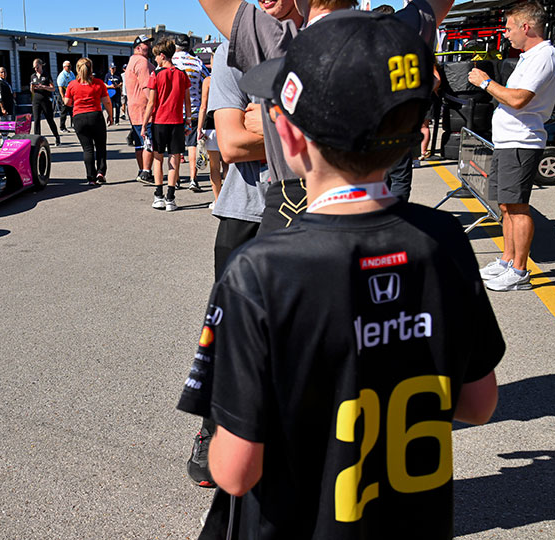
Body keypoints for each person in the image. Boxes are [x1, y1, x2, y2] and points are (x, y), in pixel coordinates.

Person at [177, 14, 503, 539]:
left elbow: (235, 472)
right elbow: (478, 403)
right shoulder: (444, 240)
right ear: (411, 134)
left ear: (288, 136)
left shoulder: (260, 270)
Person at [198, 0, 451, 234]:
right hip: (378, 214)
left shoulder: (283, 43)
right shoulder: (393, 36)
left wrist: (270, 124)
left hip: (290, 217)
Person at [185, 0, 305, 487]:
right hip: (245, 213)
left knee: (296, 334)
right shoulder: (232, 51)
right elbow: (231, 143)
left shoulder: (322, 41)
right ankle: (214, 426)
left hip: (308, 213)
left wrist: (264, 121)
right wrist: (296, 126)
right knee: (231, 332)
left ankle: (283, 434)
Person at [469, 1, 555, 292]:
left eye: (509, 28)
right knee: (506, 206)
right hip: (509, 141)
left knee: (518, 207)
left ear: (526, 27)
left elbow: (519, 98)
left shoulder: (545, 55)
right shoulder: (529, 56)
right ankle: (509, 260)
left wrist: (486, 83)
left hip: (521, 142)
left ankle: (519, 271)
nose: (506, 34)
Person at [143, 39, 191, 212]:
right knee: (174, 159)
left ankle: (158, 195)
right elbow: (187, 101)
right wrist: (189, 119)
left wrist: (144, 124)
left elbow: (151, 103)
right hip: (177, 121)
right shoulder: (182, 74)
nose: (154, 59)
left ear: (162, 56)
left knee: (158, 158)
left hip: (159, 121)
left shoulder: (155, 75)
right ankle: (170, 198)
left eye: (156, 56)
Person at [64, 57, 113, 185]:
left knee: (88, 149)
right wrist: (111, 115)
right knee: (100, 146)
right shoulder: (98, 83)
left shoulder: (72, 85)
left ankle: (91, 178)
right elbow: (107, 101)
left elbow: (67, 102)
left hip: (79, 117)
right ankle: (101, 172)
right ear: (91, 69)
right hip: (95, 116)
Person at [173, 34, 211, 192]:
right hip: (194, 110)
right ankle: (193, 179)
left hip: (173, 111)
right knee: (192, 145)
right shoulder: (197, 62)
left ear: (175, 45)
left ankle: (174, 180)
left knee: (174, 147)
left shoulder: (171, 61)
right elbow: (207, 81)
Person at [126, 35, 155, 184]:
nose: (149, 46)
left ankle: (142, 169)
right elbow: (146, 87)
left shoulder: (132, 61)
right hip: (144, 109)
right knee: (148, 141)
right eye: (146, 44)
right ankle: (146, 172)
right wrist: (154, 103)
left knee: (139, 142)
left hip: (134, 108)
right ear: (138, 47)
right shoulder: (142, 62)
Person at [198, 74, 226, 208]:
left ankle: (218, 200)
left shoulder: (208, 81)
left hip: (211, 124)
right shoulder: (230, 77)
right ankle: (229, 199)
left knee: (214, 166)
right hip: (228, 123)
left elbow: (203, 106)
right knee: (228, 165)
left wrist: (199, 128)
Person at [30, 58, 61, 146]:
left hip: (45, 100)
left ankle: (57, 136)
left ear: (41, 65)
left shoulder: (46, 75)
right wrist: (32, 86)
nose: (36, 69)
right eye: (34, 68)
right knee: (36, 120)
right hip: (36, 100)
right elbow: (32, 91)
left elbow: (53, 88)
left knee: (49, 119)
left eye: (37, 67)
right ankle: (37, 139)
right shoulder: (33, 76)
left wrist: (44, 87)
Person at [57, 60, 76, 131]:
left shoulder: (71, 73)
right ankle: (62, 127)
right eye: (68, 66)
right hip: (65, 94)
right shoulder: (62, 75)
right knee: (64, 112)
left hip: (71, 95)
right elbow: (60, 87)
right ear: (64, 67)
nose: (70, 67)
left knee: (73, 111)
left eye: (70, 66)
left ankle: (74, 125)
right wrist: (63, 97)